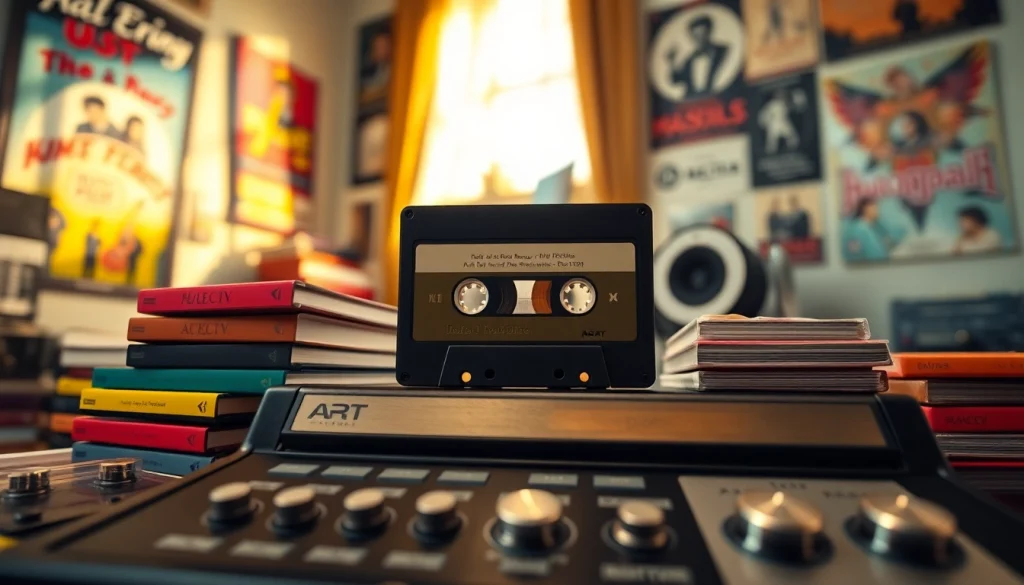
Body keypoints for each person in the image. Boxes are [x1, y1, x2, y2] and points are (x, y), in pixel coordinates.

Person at [669, 15, 729, 99]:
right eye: (696, 36)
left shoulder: (724, 51)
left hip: (718, 98)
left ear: (709, 32)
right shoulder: (690, 59)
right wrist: (672, 62)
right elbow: (676, 80)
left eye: (702, 34)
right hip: (692, 102)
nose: (700, 39)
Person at [760, 88, 799, 153]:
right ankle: (771, 156)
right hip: (774, 125)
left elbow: (793, 108)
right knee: (771, 145)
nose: (780, 96)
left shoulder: (784, 103)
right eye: (778, 94)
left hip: (783, 122)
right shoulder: (771, 104)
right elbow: (764, 114)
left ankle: (793, 151)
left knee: (793, 139)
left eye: (781, 94)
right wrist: (764, 123)